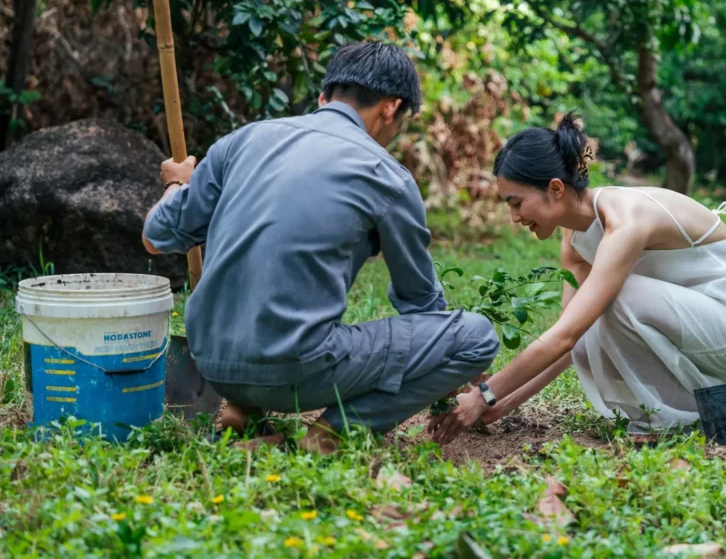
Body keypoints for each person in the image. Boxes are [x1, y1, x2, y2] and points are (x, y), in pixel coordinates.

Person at [142, 41, 499, 454]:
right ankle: (330, 434)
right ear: (390, 108)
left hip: (211, 362)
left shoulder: (241, 141)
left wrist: (177, 182)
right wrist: (446, 362)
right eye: (400, 123)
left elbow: (155, 236)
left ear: (324, 97)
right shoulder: (386, 176)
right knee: (476, 336)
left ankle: (243, 411)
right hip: (293, 370)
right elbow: (419, 301)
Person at [429, 113, 726, 444]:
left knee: (613, 299)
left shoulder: (625, 219)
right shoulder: (575, 238)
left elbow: (564, 336)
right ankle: (708, 406)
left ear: (554, 188)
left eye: (517, 203)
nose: (514, 217)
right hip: (700, 323)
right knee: (587, 331)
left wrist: (482, 394)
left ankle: (681, 413)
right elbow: (568, 339)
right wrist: (501, 402)